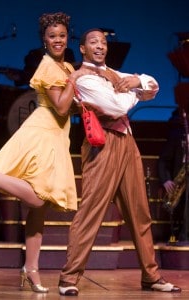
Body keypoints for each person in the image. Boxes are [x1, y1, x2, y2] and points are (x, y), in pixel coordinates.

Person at [0, 12, 93, 293]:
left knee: (39, 211)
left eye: (62, 35)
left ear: (67, 37)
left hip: (57, 136)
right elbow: (61, 107)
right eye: (52, 36)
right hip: (42, 133)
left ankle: (31, 269)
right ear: (44, 40)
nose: (58, 40)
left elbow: (69, 106)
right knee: (37, 199)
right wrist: (77, 78)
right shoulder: (50, 67)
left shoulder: (64, 68)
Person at [58, 28, 182, 296]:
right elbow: (115, 108)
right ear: (83, 49)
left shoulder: (114, 73)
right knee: (91, 212)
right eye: (94, 42)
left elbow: (154, 86)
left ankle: (151, 276)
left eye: (103, 42)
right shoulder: (81, 78)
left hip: (127, 143)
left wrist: (136, 81)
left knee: (140, 213)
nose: (100, 47)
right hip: (101, 145)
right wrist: (133, 90)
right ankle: (69, 278)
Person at [158, 107, 189, 243]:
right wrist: (166, 180)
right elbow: (163, 160)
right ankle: (185, 235)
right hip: (183, 178)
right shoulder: (177, 135)